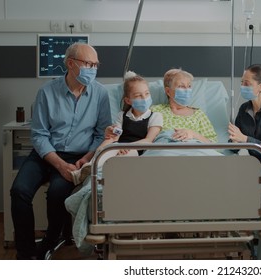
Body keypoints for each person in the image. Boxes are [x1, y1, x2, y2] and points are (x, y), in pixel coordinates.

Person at [10, 42, 112, 260]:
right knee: (19, 191)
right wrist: (58, 164)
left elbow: (101, 134)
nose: (93, 69)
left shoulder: (100, 94)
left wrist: (85, 159)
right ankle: (26, 254)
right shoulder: (47, 92)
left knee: (57, 193)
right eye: (88, 63)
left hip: (78, 157)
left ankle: (49, 242)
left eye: (96, 64)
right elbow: (38, 134)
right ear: (70, 64)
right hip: (45, 154)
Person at [70, 71, 163, 185]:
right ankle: (88, 168)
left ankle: (100, 169)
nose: (144, 98)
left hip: (136, 150)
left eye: (147, 94)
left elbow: (148, 141)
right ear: (128, 100)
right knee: (108, 147)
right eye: (138, 95)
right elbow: (115, 136)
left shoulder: (155, 116)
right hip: (118, 146)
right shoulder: (122, 116)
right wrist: (109, 132)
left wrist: (125, 147)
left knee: (123, 155)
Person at [150, 68, 217, 143]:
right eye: (181, 86)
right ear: (168, 91)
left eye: (189, 86)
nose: (187, 90)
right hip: (166, 152)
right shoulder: (156, 111)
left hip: (194, 152)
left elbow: (213, 145)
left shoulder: (198, 114)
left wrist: (193, 134)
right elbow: (144, 137)